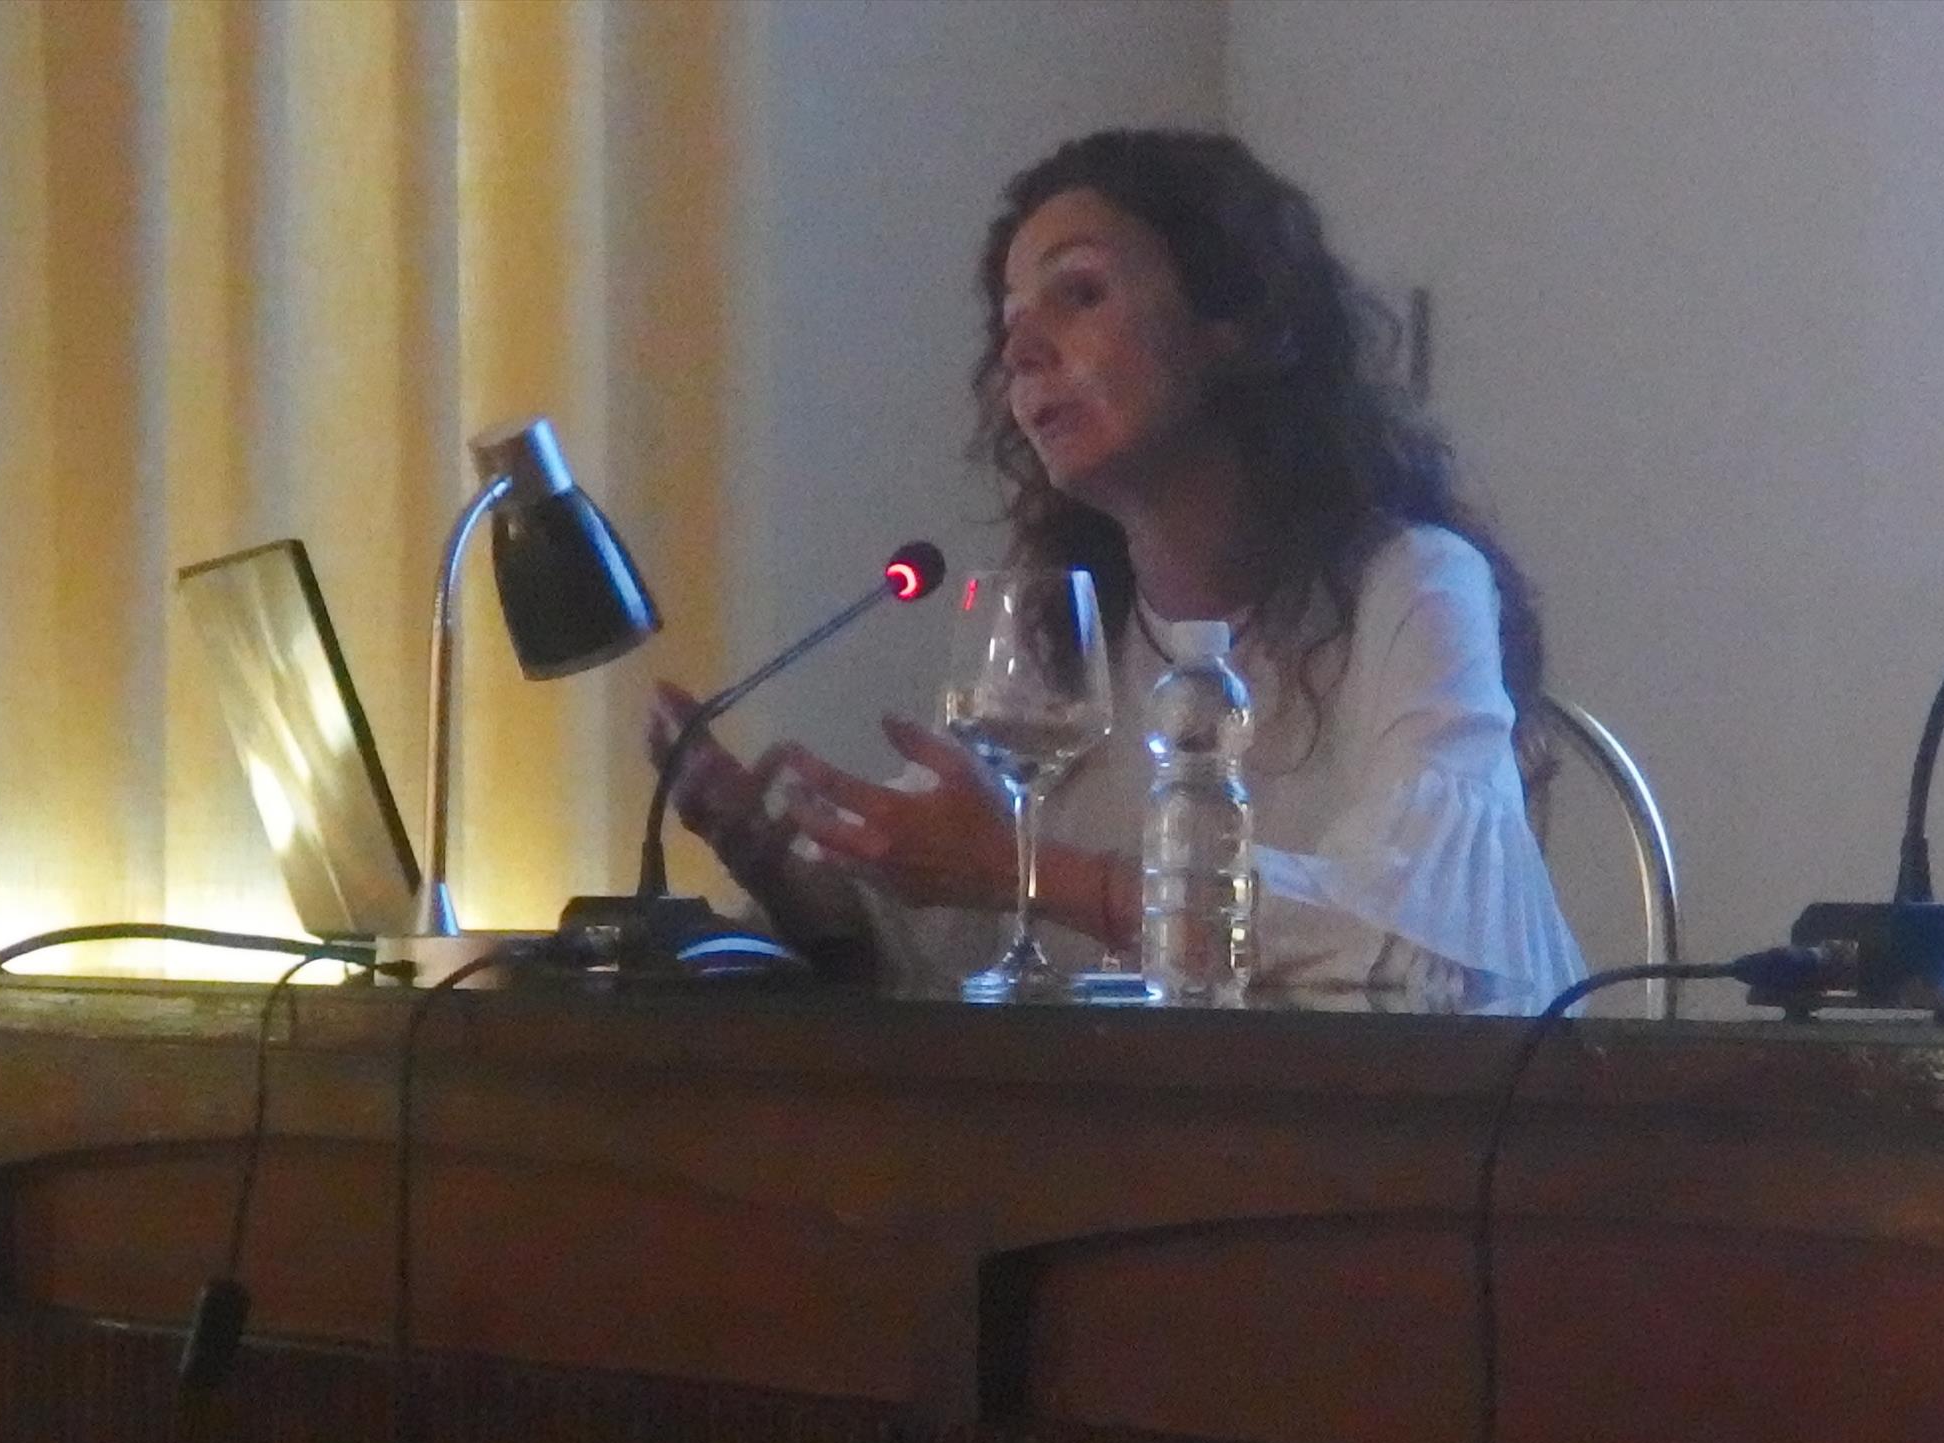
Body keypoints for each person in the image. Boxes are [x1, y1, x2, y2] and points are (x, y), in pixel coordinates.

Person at [649, 129, 1587, 1014]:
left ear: (1234, 322)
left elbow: (1428, 958)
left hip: (1436, 1128)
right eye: (1010, 324)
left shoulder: (1415, 585)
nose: (1020, 351)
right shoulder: (1057, 624)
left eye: (1080, 293)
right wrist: (785, 874)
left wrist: (1034, 875)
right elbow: (935, 945)